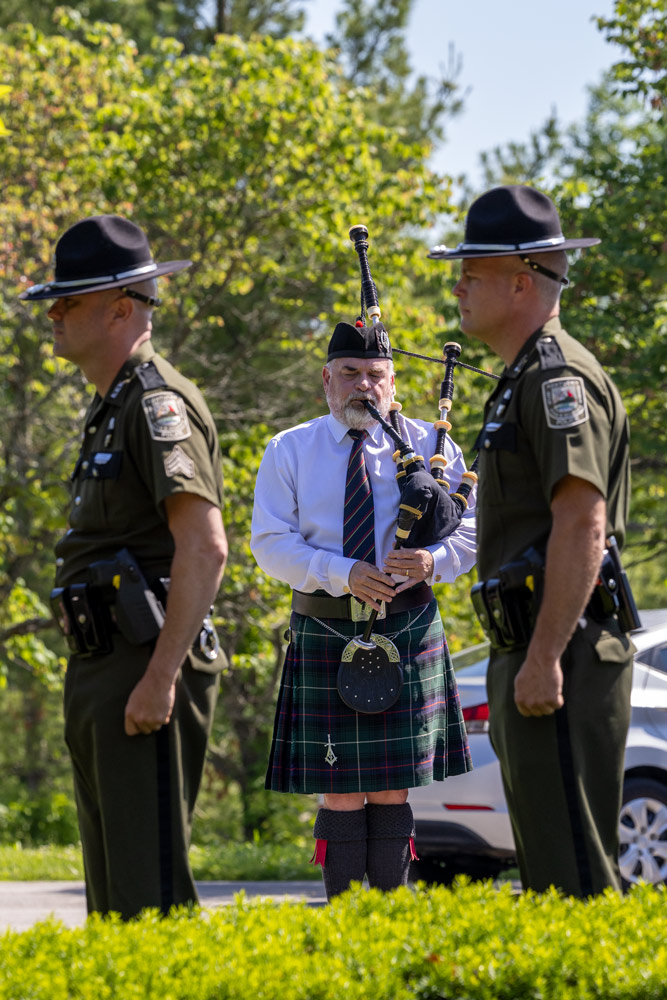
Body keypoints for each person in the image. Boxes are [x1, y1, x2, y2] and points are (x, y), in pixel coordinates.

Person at [428, 184, 635, 897]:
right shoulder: (518, 378)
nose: (456, 287)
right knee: (550, 871)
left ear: (521, 282)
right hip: (535, 645)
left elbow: (582, 521)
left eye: (470, 273)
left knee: (574, 875)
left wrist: (544, 654)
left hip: (564, 650)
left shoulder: (556, 377)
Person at [19, 216, 228, 919]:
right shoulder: (110, 407)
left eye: (67, 300)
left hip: (145, 662)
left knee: (150, 895)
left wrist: (161, 677)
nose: (53, 313)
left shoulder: (155, 403)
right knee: (114, 902)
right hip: (106, 662)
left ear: (119, 308)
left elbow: (204, 546)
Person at [250, 321, 475, 900]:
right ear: (327, 380)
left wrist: (433, 560)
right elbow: (269, 544)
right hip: (326, 622)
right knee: (340, 788)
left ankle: (389, 919)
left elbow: (474, 529)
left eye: (375, 375)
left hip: (408, 624)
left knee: (394, 787)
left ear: (392, 383)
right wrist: (342, 572)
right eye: (350, 373)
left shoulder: (433, 446)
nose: (363, 386)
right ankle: (346, 919)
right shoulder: (289, 449)